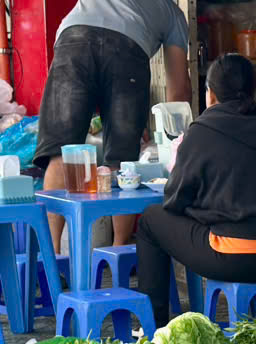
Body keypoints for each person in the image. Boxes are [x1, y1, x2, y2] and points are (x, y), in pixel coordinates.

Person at [136, 54, 256, 326]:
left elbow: (174, 200)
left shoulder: (202, 131)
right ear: (254, 91)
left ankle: (155, 330)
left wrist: (201, 210)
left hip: (237, 256)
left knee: (151, 219)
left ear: (210, 94)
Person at [35, 0, 192, 250]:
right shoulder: (172, 13)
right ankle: (119, 252)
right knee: (123, 161)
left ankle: (52, 256)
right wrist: (179, 139)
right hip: (127, 51)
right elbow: (178, 91)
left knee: (60, 152)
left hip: (73, 39)